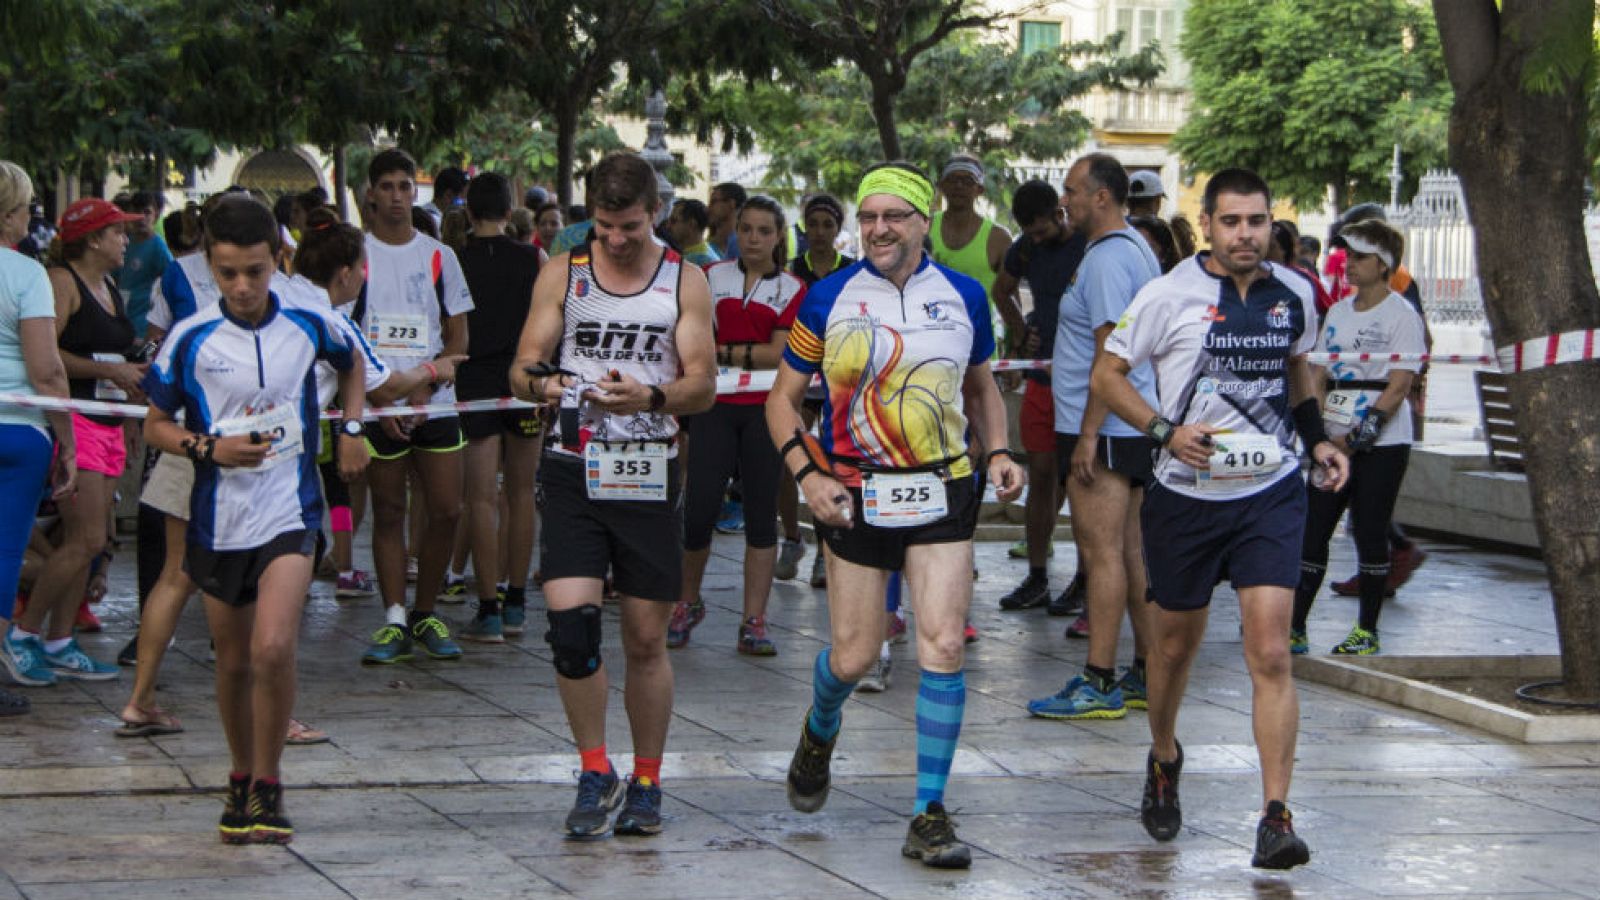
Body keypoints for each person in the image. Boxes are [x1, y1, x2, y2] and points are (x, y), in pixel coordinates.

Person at [765, 161, 1025, 869]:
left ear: (923, 220)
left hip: (942, 489)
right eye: (868, 216)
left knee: (941, 646)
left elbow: (982, 390)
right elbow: (780, 401)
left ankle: (929, 813)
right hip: (852, 493)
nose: (877, 228)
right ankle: (821, 726)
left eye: (893, 216)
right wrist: (809, 477)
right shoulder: (828, 298)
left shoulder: (966, 296)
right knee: (855, 655)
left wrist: (998, 451)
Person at [1090, 168, 1347, 870]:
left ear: (1271, 224)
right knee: (1173, 651)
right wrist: (1164, 429)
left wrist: (1318, 437)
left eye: (1257, 221)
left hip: (1270, 493)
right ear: (1207, 224)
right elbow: (1106, 377)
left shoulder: (1294, 292)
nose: (1245, 235)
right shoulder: (1168, 294)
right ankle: (1165, 754)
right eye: (1231, 222)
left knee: (1269, 652)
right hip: (1186, 497)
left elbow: (1300, 373)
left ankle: (1275, 816)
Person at [142, 195, 369, 845]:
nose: (242, 287)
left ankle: (270, 783)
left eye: (256, 271)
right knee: (236, 661)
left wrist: (351, 428)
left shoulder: (306, 320)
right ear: (210, 265)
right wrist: (208, 448)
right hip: (219, 517)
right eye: (227, 273)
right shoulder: (192, 338)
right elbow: (156, 423)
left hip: (288, 509)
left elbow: (351, 362)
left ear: (279, 260)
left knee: (274, 645)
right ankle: (241, 775)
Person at [509, 151, 716, 837]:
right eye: (603, 227)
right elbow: (521, 366)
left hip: (647, 468)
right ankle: (594, 769)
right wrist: (544, 384)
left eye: (629, 226)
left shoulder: (683, 281)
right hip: (573, 468)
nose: (617, 240)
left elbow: (704, 385)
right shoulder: (563, 273)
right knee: (571, 632)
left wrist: (650, 395)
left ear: (654, 212)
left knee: (646, 639)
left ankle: (649, 779)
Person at [1026, 154, 1159, 721]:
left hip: (1102, 427)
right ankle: (1147, 672)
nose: (1066, 199)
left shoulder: (1107, 260)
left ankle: (1100, 678)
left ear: (1102, 196)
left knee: (1100, 553)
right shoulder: (1132, 248)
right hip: (1122, 424)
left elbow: (1112, 354)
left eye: (1073, 189)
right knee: (1129, 554)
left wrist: (1085, 434)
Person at [11, 198, 146, 682]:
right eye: (117, 232)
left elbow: (118, 355)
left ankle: (60, 639)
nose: (125, 240)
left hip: (108, 422)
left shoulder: (109, 285)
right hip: (76, 421)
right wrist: (107, 370)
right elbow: (47, 357)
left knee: (90, 540)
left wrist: (128, 415)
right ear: (92, 238)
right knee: (85, 535)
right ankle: (24, 632)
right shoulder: (60, 283)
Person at [353, 148, 473, 665]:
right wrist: (383, 396)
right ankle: (395, 617)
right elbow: (344, 338)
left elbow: (458, 335)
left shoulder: (439, 255)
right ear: (371, 194)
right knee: (389, 511)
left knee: (447, 508)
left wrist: (423, 389)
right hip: (379, 406)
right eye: (388, 187)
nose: (398, 197)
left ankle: (426, 611)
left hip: (435, 403)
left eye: (406, 186)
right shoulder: (354, 254)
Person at [670, 196, 804, 654]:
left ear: (778, 236)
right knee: (700, 509)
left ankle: (754, 620)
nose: (752, 238)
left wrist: (726, 350)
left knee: (762, 515)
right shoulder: (711, 277)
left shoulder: (792, 288)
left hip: (766, 408)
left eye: (763, 231)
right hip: (714, 406)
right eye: (745, 229)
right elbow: (694, 340)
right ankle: (687, 602)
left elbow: (778, 352)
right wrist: (739, 350)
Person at [1292, 220, 1424, 656]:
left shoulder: (1403, 315)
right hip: (1334, 435)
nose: (1348, 264)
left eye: (1360, 257)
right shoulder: (1339, 311)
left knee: (1369, 529)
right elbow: (1319, 372)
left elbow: (1400, 384)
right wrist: (1320, 432)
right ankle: (1295, 626)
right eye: (1347, 255)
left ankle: (1367, 629)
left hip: (1382, 443)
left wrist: (1362, 435)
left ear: (1383, 263)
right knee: (1314, 531)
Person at [452, 172, 545, 643]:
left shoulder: (454, 260)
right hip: (525, 381)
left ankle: (487, 606)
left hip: (474, 384)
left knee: (480, 497)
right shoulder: (534, 258)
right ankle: (515, 602)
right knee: (523, 493)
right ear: (510, 211)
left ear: (469, 212)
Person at [0, 161, 78, 706]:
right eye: (27, 207)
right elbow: (47, 369)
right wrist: (68, 438)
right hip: (19, 434)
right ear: (9, 215)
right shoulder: (26, 275)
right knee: (4, 549)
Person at [989, 181, 1087, 616]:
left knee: (1082, 481)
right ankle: (1038, 575)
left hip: (1083, 379)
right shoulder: (1024, 248)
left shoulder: (1088, 244)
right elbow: (1001, 289)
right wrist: (1019, 330)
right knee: (1042, 475)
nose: (1036, 237)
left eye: (1042, 229)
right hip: (1043, 376)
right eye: (1028, 231)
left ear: (1059, 213)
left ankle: (1087, 578)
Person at [780, 194, 854, 587]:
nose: (821, 232)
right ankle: (792, 538)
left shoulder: (854, 271)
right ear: (804, 229)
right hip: (801, 379)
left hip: (841, 381)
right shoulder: (791, 273)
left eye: (828, 225)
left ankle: (829, 546)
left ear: (838, 229)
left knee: (833, 462)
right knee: (789, 455)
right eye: (814, 225)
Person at [930, 155, 1011, 352]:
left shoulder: (998, 237)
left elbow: (1010, 297)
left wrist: (1013, 350)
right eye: (952, 179)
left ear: (979, 189)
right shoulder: (924, 227)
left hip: (978, 346)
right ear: (941, 186)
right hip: (931, 343)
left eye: (967, 181)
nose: (959, 186)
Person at [115, 191, 173, 338]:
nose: (141, 217)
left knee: (142, 356)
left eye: (147, 212)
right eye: (136, 211)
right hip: (122, 319)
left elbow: (171, 280)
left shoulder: (158, 247)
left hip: (144, 327)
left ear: (156, 215)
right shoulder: (125, 242)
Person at [663, 199, 720, 268]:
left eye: (674, 221)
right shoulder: (703, 255)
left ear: (692, 224)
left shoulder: (703, 261)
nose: (667, 226)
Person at [706, 182, 747, 260]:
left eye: (713, 202)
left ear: (732, 204)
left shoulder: (742, 245)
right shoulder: (707, 245)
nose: (709, 208)